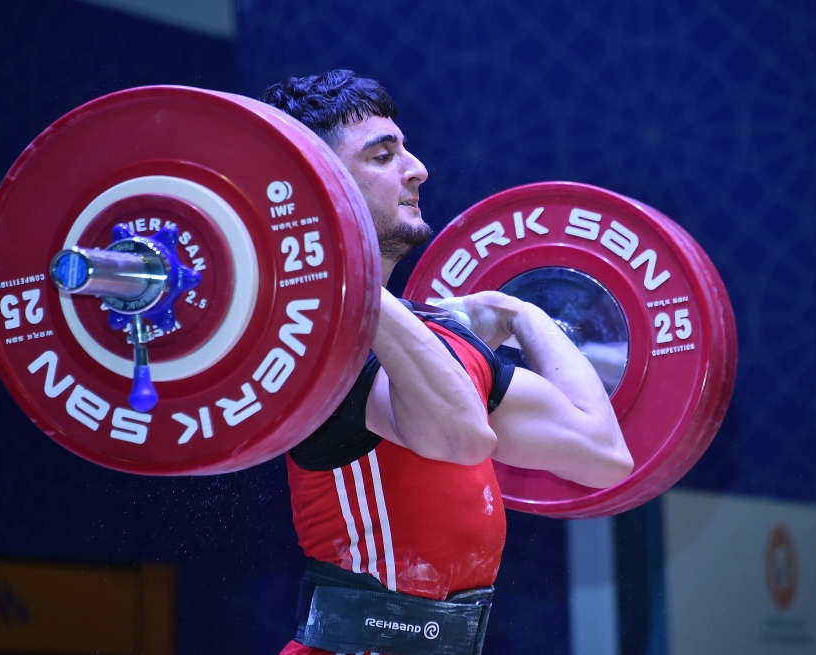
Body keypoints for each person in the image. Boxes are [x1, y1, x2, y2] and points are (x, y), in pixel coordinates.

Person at [261, 70, 632, 655]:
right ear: (317, 181)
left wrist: (517, 312)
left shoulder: (430, 337)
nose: (418, 169)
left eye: (405, 150)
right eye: (383, 156)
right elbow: (462, 436)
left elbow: (603, 456)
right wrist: (334, 259)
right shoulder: (313, 340)